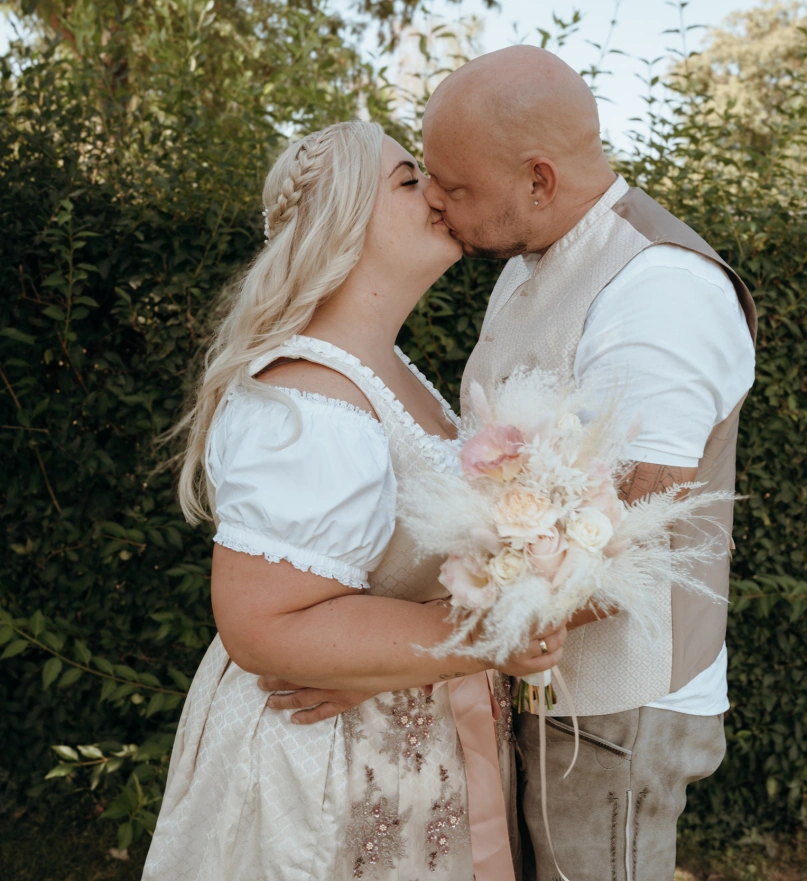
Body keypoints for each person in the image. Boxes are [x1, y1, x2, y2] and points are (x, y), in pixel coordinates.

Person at [142, 119, 566, 881]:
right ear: (339, 221)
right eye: (408, 180)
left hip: (415, 744)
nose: (437, 192)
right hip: (322, 766)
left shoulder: (392, 371)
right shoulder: (306, 398)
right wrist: (485, 638)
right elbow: (262, 626)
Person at [421, 46, 758, 881]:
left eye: (454, 186)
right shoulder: (538, 259)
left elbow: (622, 545)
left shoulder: (658, 290)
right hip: (546, 684)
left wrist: (381, 653)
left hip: (618, 706)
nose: (434, 200)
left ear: (538, 180)